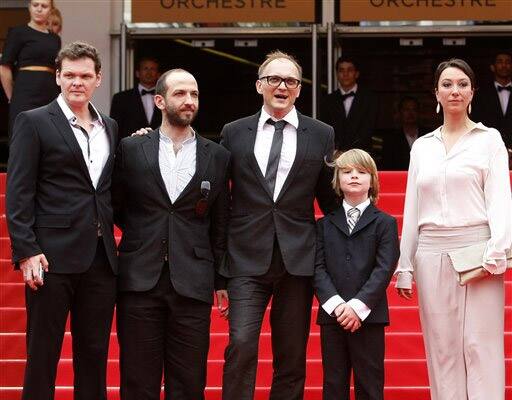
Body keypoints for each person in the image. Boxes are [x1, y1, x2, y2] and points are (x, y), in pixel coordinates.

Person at [220, 50, 338, 400]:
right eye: (274, 79)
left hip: (296, 259)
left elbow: (329, 202)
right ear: (260, 85)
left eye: (290, 81)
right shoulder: (233, 132)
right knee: (241, 345)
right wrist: (219, 267)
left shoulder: (321, 134)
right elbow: (219, 202)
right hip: (244, 258)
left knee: (291, 358)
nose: (282, 86)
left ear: (299, 90)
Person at [6, 41, 119, 400]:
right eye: (69, 75)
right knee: (42, 355)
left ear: (98, 79)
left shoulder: (110, 127)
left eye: (85, 75)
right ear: (57, 77)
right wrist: (26, 251)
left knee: (94, 356)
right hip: (49, 259)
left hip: (100, 259)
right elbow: (19, 191)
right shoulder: (33, 121)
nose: (76, 82)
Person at [395, 58, 511, 400]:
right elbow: (412, 207)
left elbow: (500, 199)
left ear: (473, 92)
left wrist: (497, 250)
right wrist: (405, 265)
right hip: (431, 253)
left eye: (462, 84)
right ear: (436, 93)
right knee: (442, 347)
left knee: (480, 345)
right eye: (447, 84)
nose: (454, 90)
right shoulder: (422, 147)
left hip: (478, 252)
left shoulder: (489, 140)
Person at [112, 68, 230, 400]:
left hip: (193, 282)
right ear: (160, 100)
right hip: (139, 280)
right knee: (137, 381)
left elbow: (220, 222)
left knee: (190, 383)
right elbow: (117, 204)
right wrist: (146, 233)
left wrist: (221, 280)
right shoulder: (132, 148)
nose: (189, 100)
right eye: (180, 94)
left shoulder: (217, 155)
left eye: (194, 94)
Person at [314, 148, 399, 400]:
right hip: (333, 317)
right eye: (347, 172)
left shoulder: (385, 223)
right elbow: (317, 268)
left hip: (369, 316)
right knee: (333, 383)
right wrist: (339, 306)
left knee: (370, 383)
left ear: (372, 180)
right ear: (337, 180)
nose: (354, 176)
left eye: (361, 172)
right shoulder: (324, 224)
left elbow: (384, 268)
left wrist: (358, 307)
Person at [0, 0, 60, 137]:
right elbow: (4, 67)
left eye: (44, 6)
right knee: (22, 134)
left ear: (51, 10)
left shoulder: (55, 39)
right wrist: (11, 97)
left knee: (49, 135)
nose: (39, 9)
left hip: (49, 92)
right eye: (35, 5)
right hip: (24, 93)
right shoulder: (18, 32)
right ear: (29, 7)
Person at [320, 56, 378, 153]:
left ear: (357, 74)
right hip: (335, 156)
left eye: (349, 70)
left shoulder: (370, 99)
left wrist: (351, 152)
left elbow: (369, 128)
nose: (345, 74)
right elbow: (325, 128)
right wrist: (335, 151)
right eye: (341, 70)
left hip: (362, 155)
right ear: (337, 74)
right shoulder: (328, 100)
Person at [110, 57, 162, 138]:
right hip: (130, 147)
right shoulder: (120, 98)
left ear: (159, 75)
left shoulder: (165, 99)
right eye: (145, 68)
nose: (149, 72)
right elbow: (114, 130)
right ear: (137, 73)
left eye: (152, 69)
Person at [472, 52, 512, 153]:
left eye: (507, 62)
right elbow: (476, 122)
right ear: (492, 67)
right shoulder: (480, 94)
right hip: (488, 150)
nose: (504, 65)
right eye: (500, 62)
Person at [381, 96, 428, 170]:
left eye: (414, 109)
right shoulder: (391, 139)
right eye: (406, 110)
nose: (410, 113)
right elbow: (386, 166)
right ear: (400, 112)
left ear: (418, 112)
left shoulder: (428, 135)